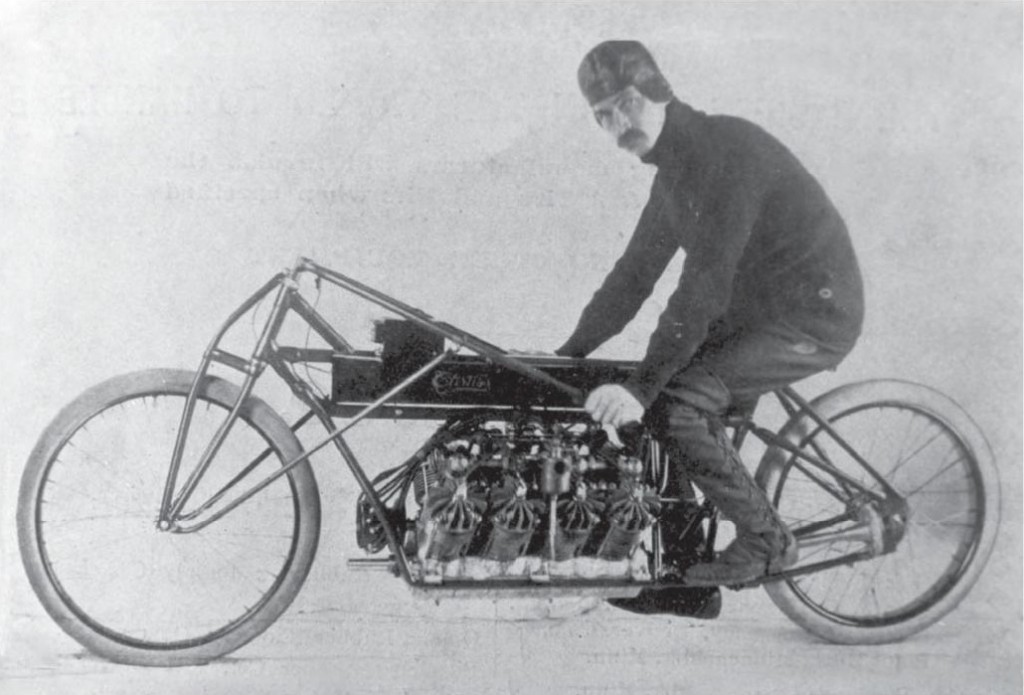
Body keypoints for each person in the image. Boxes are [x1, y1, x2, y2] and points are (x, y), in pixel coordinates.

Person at [555, 41, 864, 618]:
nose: (615, 125)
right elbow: (632, 277)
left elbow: (705, 285)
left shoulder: (726, 151)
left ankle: (769, 539)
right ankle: (685, 580)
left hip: (813, 313)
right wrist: (568, 355)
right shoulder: (674, 175)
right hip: (756, 314)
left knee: (676, 404)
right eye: (601, 115)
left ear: (653, 92)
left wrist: (641, 388)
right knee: (657, 397)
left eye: (622, 105)